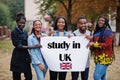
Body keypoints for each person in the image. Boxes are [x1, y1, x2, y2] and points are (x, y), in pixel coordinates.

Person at [10, 12, 40, 80]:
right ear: (17, 22)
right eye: (20, 23)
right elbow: (19, 46)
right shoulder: (14, 32)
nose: (22, 24)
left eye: (23, 23)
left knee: (29, 77)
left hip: (25, 57)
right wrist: (33, 46)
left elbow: (28, 42)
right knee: (16, 77)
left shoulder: (25, 32)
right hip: (17, 57)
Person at [87, 15, 114, 80]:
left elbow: (107, 45)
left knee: (96, 76)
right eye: (99, 20)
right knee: (102, 77)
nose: (100, 22)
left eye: (102, 20)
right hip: (98, 57)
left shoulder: (108, 31)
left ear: (105, 22)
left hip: (105, 57)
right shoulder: (97, 31)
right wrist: (90, 37)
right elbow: (94, 40)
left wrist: (94, 44)